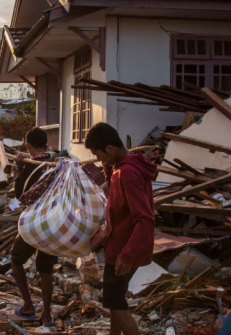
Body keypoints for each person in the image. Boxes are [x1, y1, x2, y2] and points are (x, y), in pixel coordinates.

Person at [84, 123, 155, 335]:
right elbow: (119, 197)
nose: (98, 160)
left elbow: (145, 219)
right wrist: (108, 170)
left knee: (115, 302)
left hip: (124, 250)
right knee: (114, 300)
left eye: (99, 154)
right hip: (118, 246)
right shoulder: (122, 167)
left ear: (109, 148)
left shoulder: (128, 172)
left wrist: (128, 254)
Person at [10, 127, 56, 327]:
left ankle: (28, 305)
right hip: (54, 224)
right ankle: (46, 315)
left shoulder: (31, 165)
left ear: (28, 147)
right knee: (46, 269)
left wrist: (18, 171)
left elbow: (20, 196)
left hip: (34, 224)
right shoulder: (56, 163)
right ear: (47, 145)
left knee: (15, 258)